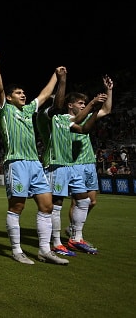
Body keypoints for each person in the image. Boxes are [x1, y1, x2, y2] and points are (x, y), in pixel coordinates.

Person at [0, 53, 70, 265]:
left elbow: (45, 94)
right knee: (17, 207)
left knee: (47, 206)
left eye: (23, 92)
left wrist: (56, 75)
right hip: (16, 162)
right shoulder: (4, 109)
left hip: (35, 163)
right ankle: (17, 250)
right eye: (18, 93)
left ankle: (45, 250)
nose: (23, 95)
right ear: (9, 97)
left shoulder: (28, 110)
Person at [36, 75, 107, 258]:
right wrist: (63, 81)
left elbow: (83, 128)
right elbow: (60, 106)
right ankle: (57, 243)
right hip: (55, 164)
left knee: (84, 200)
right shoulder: (46, 117)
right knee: (57, 204)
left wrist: (93, 108)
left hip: (70, 166)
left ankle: (76, 237)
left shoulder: (65, 120)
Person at [65, 76, 113, 252]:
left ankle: (73, 228)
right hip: (74, 164)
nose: (83, 105)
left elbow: (106, 110)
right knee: (78, 201)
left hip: (89, 164)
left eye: (84, 103)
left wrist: (109, 90)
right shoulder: (64, 120)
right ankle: (76, 236)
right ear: (71, 105)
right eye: (80, 103)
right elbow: (77, 124)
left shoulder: (85, 118)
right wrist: (93, 104)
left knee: (91, 202)